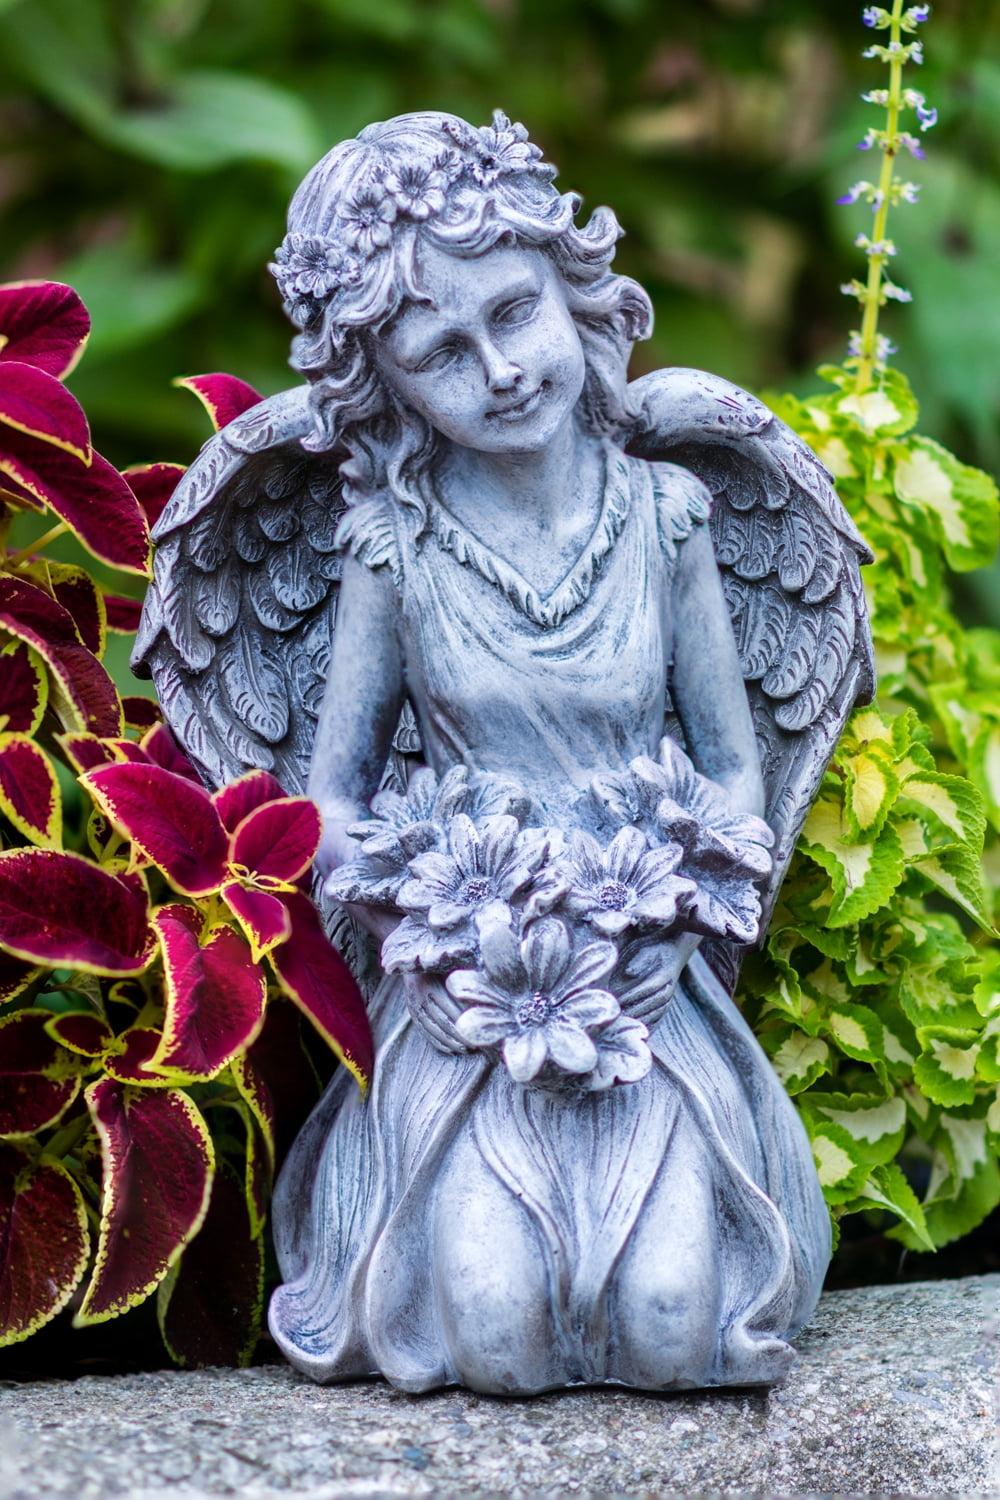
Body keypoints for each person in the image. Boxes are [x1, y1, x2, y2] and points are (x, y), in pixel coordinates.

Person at [254, 110, 838, 1394]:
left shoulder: (669, 516)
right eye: (439, 354)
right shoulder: (389, 553)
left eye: (513, 312)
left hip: (639, 989)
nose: (499, 368)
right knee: (495, 1338)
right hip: (469, 1007)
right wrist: (432, 924)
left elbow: (736, 776)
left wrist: (678, 915)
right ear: (386, 388)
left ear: (575, 293)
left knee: (685, 1325)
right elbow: (330, 804)